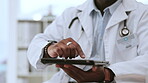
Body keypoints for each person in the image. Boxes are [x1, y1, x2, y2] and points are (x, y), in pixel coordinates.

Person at [27, 0, 148, 83]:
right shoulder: (71, 14)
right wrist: (50, 49)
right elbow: (37, 43)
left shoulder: (142, 14)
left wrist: (108, 73)